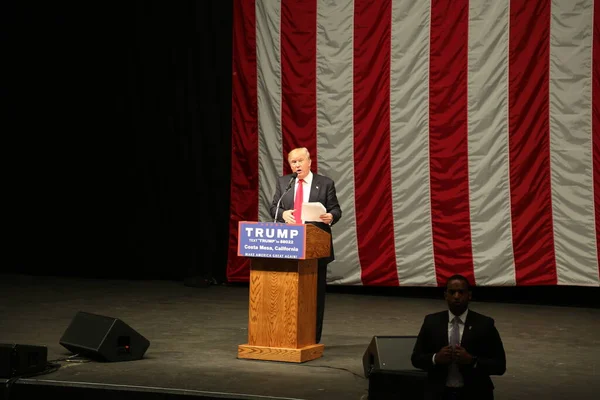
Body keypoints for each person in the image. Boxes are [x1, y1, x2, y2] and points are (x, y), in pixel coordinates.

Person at [269, 147, 342, 344]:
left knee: (314, 297)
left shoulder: (325, 183)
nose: (297, 165)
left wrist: (331, 216)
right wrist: (283, 213)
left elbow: (335, 209)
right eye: (293, 162)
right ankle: (286, 334)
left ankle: (312, 338)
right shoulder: (285, 182)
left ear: (309, 162)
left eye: (300, 161)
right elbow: (274, 207)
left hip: (315, 246)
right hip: (289, 244)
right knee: (288, 294)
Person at [411, 274, 506, 400]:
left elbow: (500, 366)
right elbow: (416, 358)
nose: (456, 296)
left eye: (461, 292)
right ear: (446, 296)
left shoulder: (485, 324)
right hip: (438, 393)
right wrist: (435, 358)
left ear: (469, 295)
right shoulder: (431, 322)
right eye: (452, 292)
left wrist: (472, 361)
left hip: (475, 393)